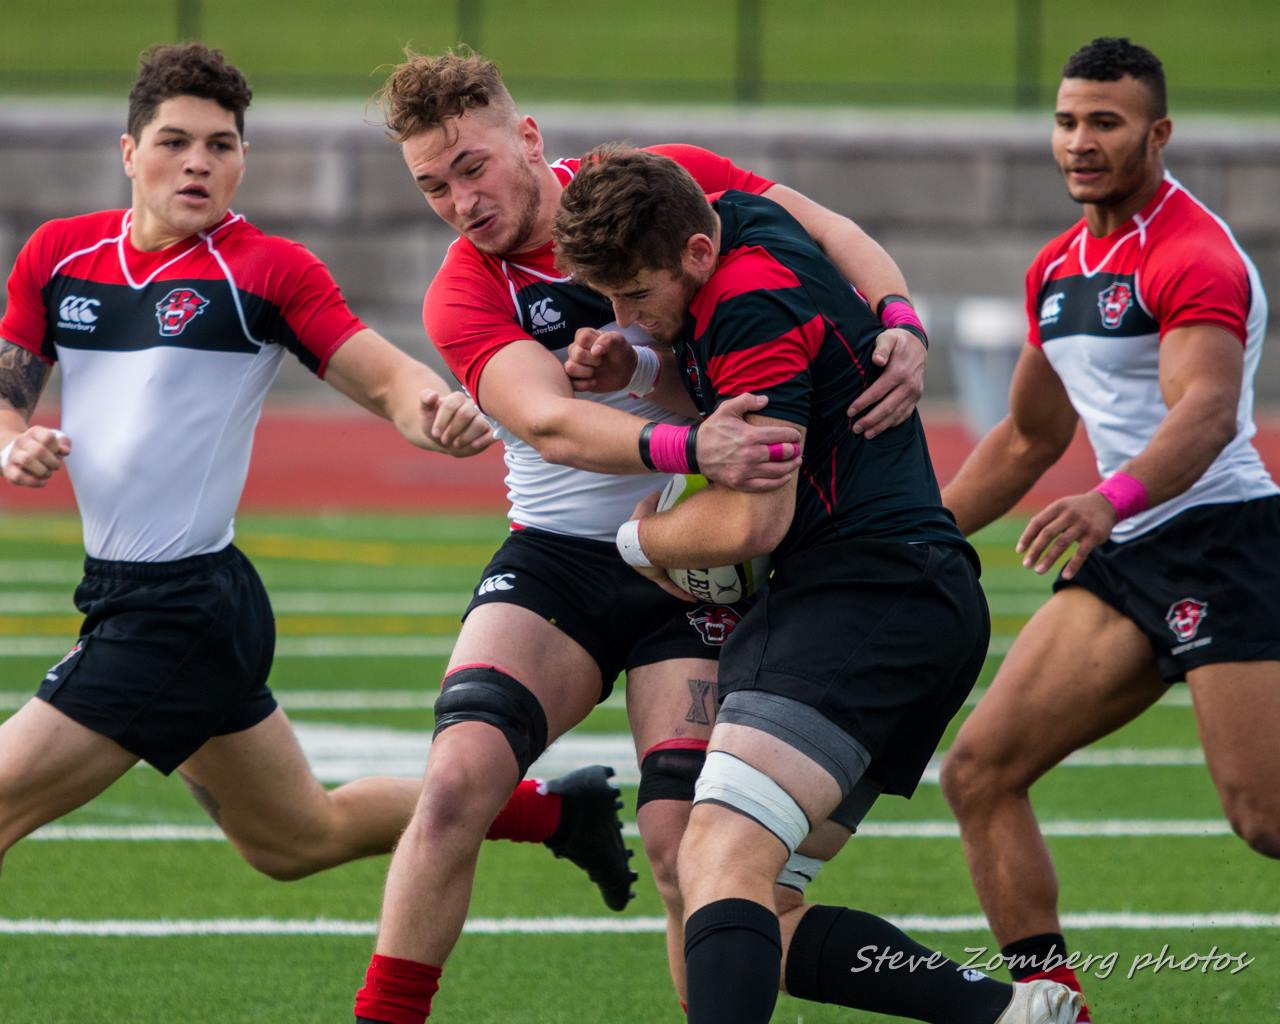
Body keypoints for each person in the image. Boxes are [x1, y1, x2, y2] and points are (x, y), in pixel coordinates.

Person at [353, 48, 933, 1023]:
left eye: (471, 167)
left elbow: (825, 229)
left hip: (704, 556)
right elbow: (544, 423)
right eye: (431, 186)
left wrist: (898, 316)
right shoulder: (465, 289)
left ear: (527, 139)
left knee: (682, 849)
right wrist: (682, 434)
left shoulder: (658, 184)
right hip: (562, 558)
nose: (459, 201)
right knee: (454, 783)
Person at [0, 43, 631, 907]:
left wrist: (436, 411)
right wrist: (12, 438)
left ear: (243, 161)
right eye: (175, 141)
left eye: (221, 146)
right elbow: (11, 385)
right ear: (128, 152)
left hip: (178, 611)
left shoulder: (268, 271)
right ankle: (556, 815)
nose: (197, 163)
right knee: (296, 838)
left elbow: (386, 377)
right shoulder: (59, 254)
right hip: (136, 594)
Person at [552, 145, 1083, 1024]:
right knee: (752, 902)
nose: (623, 315)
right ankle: (1008, 1015)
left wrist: (638, 538)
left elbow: (753, 522)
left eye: (635, 296)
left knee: (716, 857)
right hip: (898, 596)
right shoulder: (744, 218)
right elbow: (838, 240)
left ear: (691, 252)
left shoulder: (749, 301)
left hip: (866, 597)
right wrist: (645, 369)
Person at [938, 37, 1280, 1023]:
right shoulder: (1056, 266)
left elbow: (1207, 412)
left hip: (1220, 542)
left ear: (1155, 133)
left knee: (1262, 819)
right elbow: (1027, 437)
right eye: (1064, 120)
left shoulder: (1192, 254)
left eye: (1104, 123)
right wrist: (907, 536)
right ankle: (1051, 1006)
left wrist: (1106, 499)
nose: (1079, 142)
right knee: (980, 771)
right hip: (1126, 556)